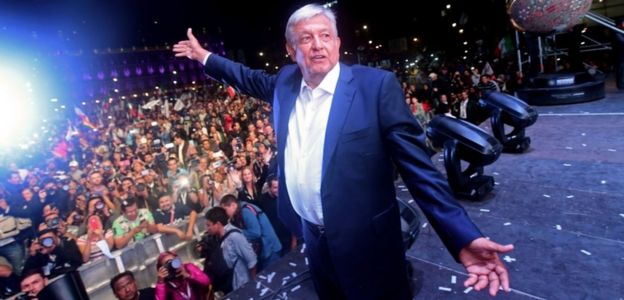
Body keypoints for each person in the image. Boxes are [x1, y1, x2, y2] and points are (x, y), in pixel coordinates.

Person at [174, 4, 513, 299]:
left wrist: (463, 237)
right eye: (306, 38)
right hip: (314, 240)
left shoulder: (374, 87)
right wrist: (204, 56)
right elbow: (244, 76)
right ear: (291, 50)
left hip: (370, 245)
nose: (317, 45)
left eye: (325, 36)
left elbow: (420, 171)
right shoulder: (285, 84)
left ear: (337, 43)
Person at [203, 207, 256, 292]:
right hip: (230, 285)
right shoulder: (216, 237)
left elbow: (252, 261)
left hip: (242, 285)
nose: (207, 228)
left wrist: (253, 284)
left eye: (209, 225)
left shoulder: (235, 236)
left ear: (218, 224)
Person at [614, 16, 624, 90]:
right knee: (621, 70)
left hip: (621, 53)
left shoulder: (620, 30)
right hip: (620, 54)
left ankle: (621, 84)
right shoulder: (617, 31)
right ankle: (621, 84)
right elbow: (621, 41)